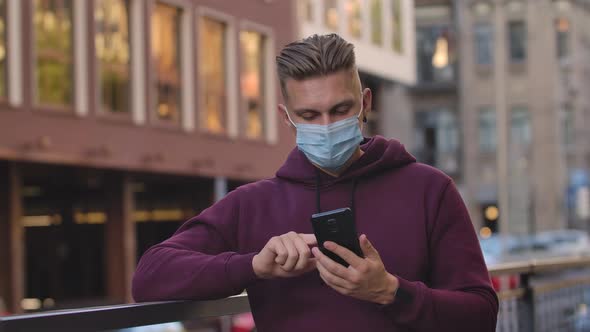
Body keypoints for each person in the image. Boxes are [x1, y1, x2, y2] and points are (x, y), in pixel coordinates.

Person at [133, 33, 498, 331]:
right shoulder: (252, 204)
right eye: (309, 114)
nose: (325, 127)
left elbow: (481, 314)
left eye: (340, 110)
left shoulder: (429, 190)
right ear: (286, 116)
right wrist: (254, 266)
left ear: (365, 103)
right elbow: (150, 276)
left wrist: (390, 291)